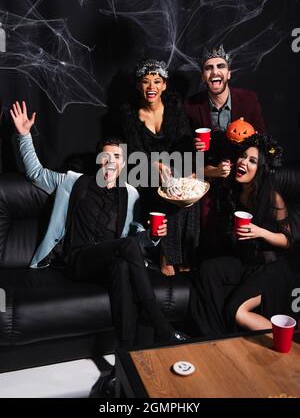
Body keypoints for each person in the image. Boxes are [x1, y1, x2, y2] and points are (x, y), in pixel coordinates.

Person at [10, 101, 188, 348]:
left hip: (108, 262)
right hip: (77, 260)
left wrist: (153, 236)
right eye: (107, 156)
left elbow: (137, 240)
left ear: (124, 163)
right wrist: (24, 135)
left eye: (117, 157)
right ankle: (160, 324)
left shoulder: (130, 194)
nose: (111, 161)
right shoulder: (73, 183)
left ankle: (125, 355)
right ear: (99, 159)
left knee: (122, 268)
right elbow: (37, 174)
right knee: (124, 249)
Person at [190, 133, 296, 336]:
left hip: (270, 267)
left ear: (261, 169)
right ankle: (215, 337)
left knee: (235, 310)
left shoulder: (272, 197)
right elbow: (196, 173)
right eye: (243, 157)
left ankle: (287, 340)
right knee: (207, 269)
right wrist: (218, 171)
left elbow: (287, 241)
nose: (244, 162)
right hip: (246, 261)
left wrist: (260, 232)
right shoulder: (234, 187)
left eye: (252, 160)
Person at [121, 59, 200, 276]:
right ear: (139, 86)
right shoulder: (129, 113)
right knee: (165, 192)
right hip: (144, 174)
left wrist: (188, 172)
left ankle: (186, 257)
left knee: (187, 190)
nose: (151, 87)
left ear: (164, 85)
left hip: (176, 168)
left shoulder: (174, 107)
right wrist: (153, 163)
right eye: (146, 82)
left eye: (156, 81)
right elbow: (135, 153)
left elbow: (185, 143)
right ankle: (167, 257)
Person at [185, 44, 266, 178]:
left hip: (242, 174)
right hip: (209, 175)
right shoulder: (190, 106)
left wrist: (253, 140)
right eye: (208, 68)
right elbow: (187, 157)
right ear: (203, 77)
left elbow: (263, 142)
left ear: (228, 74)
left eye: (220, 66)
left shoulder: (249, 100)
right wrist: (193, 146)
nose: (215, 72)